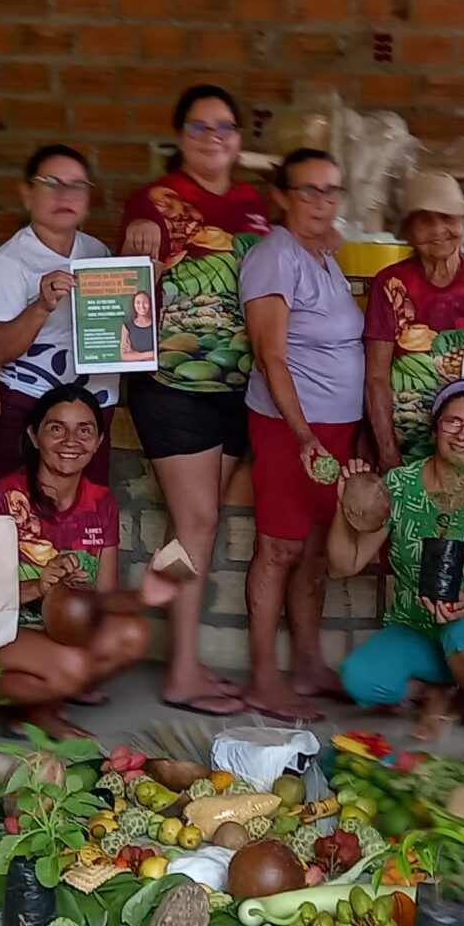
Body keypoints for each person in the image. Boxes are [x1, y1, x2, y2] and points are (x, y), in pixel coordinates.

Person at [118, 85, 272, 715]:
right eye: (201, 127)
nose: (215, 138)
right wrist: (138, 263)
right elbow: (124, 293)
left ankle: (183, 651)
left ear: (240, 137)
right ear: (181, 135)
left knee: (195, 530)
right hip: (172, 387)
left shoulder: (254, 205)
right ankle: (179, 667)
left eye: (226, 127)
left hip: (236, 391)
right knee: (199, 523)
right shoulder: (151, 202)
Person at [327, 381, 464, 741]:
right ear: (436, 427)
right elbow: (343, 565)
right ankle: (444, 693)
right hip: (421, 627)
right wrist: (343, 504)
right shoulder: (401, 485)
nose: (463, 435)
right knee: (361, 678)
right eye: (453, 422)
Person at [236, 148, 364, 722]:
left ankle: (309, 664)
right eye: (308, 191)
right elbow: (271, 356)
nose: (321, 202)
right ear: (282, 198)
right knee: (280, 547)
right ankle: (264, 678)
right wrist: (302, 434)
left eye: (331, 190)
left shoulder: (319, 257)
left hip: (334, 427)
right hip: (293, 426)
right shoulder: (274, 256)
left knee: (313, 546)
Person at [0, 385, 178, 737]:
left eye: (84, 430)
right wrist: (38, 586)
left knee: (132, 633)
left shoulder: (103, 502)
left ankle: (35, 711)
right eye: (57, 428)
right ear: (34, 436)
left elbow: (104, 597)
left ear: (98, 442)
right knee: (73, 666)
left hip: (62, 634)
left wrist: (144, 597)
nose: (71, 440)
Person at [0, 145, 121, 484]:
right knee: (19, 513)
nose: (64, 194)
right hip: (27, 405)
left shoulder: (98, 254)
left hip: (93, 407)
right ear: (27, 193)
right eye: (51, 183)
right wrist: (41, 306)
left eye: (76, 185)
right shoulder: (7, 263)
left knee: (85, 513)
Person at [363, 170, 464, 469]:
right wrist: (387, 453)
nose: (438, 229)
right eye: (425, 220)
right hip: (409, 444)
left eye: (448, 217)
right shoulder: (391, 283)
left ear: (463, 223)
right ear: (409, 232)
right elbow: (376, 377)